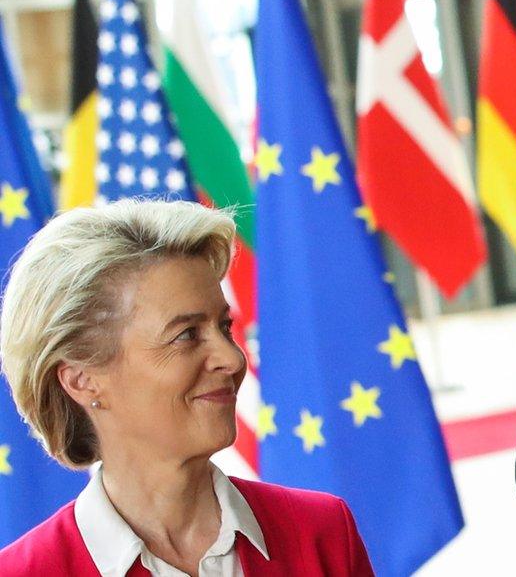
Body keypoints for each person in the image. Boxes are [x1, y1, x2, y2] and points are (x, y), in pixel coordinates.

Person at [0, 200, 373, 576]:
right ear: (82, 380)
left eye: (225, 328)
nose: (233, 359)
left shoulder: (322, 532)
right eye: (186, 335)